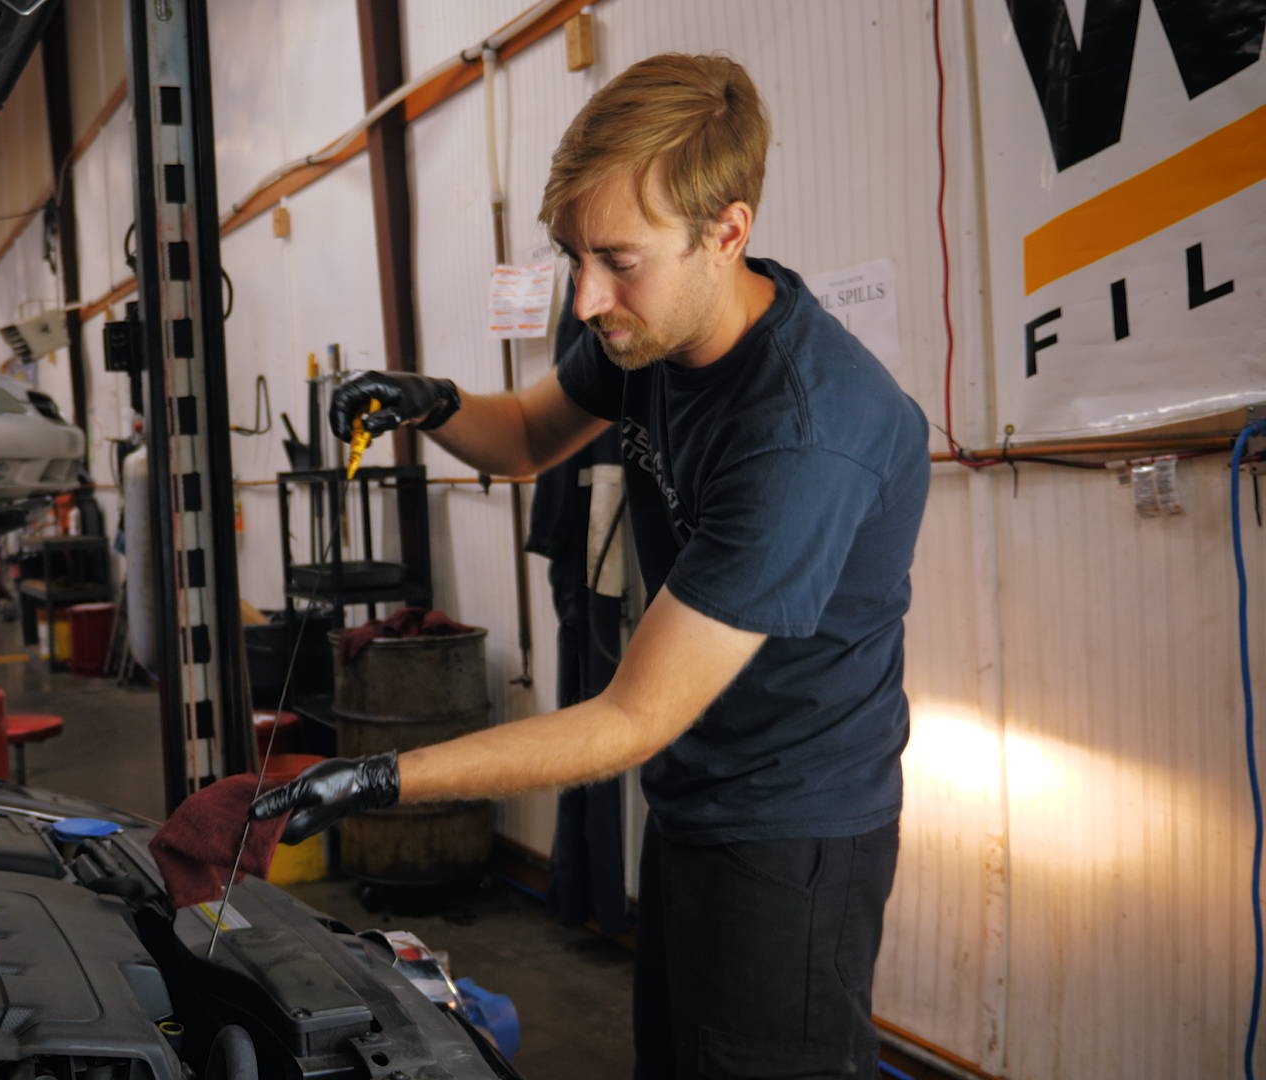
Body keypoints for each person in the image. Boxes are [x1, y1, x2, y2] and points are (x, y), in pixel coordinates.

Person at [250, 53, 929, 1077]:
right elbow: (526, 437)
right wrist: (431, 402)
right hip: (697, 795)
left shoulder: (802, 434)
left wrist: (380, 777)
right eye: (573, 257)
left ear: (727, 232)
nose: (584, 300)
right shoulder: (648, 334)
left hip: (792, 833)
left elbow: (627, 717)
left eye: (617, 260)